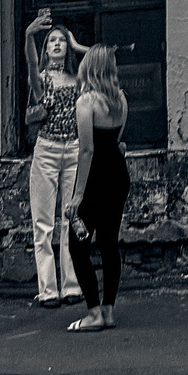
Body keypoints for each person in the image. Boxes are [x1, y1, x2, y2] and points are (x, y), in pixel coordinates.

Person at [63, 42, 132, 332]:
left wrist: (77, 195)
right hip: (118, 174)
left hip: (95, 177)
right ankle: (108, 310)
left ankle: (92, 313)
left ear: (88, 67)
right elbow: (117, 142)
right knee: (108, 243)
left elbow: (87, 150)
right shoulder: (121, 99)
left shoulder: (86, 102)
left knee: (77, 246)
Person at [23, 10, 86, 307]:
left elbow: (101, 59)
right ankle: (48, 289)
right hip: (47, 149)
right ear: (46, 49)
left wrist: (77, 45)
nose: (58, 44)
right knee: (44, 223)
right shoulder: (43, 80)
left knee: (70, 219)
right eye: (54, 41)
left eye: (62, 40)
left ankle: (71, 285)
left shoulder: (77, 79)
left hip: (73, 149)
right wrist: (29, 35)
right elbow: (31, 64)